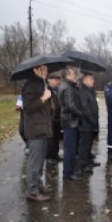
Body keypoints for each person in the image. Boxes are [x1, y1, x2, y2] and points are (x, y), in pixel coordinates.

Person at [22, 65, 53, 202]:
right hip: (35, 130)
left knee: (40, 162)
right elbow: (27, 108)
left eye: (46, 69)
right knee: (34, 162)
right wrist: (43, 98)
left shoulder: (42, 83)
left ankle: (39, 185)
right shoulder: (30, 85)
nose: (45, 72)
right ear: (34, 70)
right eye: (42, 69)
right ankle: (32, 192)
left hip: (43, 129)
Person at [59, 66, 83, 180]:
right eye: (74, 75)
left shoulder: (69, 86)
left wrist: (76, 86)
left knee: (70, 148)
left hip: (70, 120)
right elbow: (71, 106)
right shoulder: (67, 88)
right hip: (70, 121)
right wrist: (81, 114)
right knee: (70, 149)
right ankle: (68, 173)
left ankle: (69, 171)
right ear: (68, 75)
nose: (76, 77)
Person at [78, 72, 101, 174]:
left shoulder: (90, 91)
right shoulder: (82, 91)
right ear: (85, 80)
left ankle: (89, 161)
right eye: (91, 79)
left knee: (90, 143)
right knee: (85, 145)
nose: (93, 81)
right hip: (86, 123)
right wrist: (92, 120)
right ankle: (83, 165)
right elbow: (85, 108)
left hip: (91, 123)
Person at [45, 74, 62, 165]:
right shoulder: (47, 90)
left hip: (57, 118)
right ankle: (49, 157)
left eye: (58, 80)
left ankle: (55, 154)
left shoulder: (57, 90)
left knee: (56, 138)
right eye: (55, 80)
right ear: (49, 80)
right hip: (50, 118)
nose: (57, 81)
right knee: (50, 139)